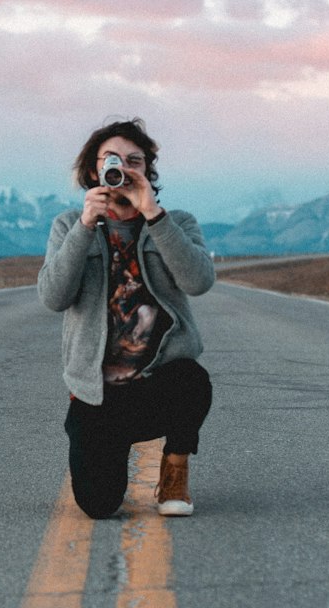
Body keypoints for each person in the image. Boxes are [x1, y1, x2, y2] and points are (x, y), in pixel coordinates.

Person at [37, 118, 216, 519]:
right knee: (98, 506)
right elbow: (53, 297)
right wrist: (85, 227)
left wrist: (153, 213)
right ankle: (101, 446)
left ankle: (174, 468)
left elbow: (199, 281)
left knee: (193, 381)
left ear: (148, 171)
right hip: (98, 395)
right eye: (113, 160)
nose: (124, 169)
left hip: (158, 385)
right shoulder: (68, 226)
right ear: (93, 170)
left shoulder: (177, 223)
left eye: (135, 161)